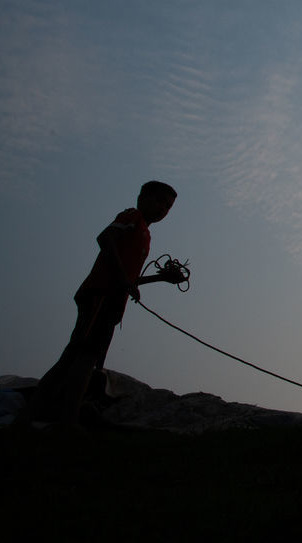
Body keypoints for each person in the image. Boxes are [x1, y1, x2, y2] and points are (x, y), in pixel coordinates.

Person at [18, 180, 184, 427]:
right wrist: (122, 280)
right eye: (159, 201)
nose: (163, 209)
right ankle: (54, 421)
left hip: (112, 301)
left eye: (168, 207)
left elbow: (130, 278)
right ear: (142, 198)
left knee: (84, 359)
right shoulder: (133, 216)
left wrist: (161, 278)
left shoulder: (145, 236)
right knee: (77, 358)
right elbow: (105, 238)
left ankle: (53, 418)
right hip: (100, 294)